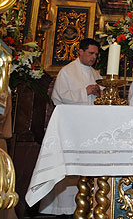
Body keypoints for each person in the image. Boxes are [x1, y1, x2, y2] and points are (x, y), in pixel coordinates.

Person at [41, 38, 102, 216]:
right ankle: (64, 208)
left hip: (90, 127)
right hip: (72, 127)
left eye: (96, 54)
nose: (93, 57)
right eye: (90, 53)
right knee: (70, 167)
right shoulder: (67, 71)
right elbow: (58, 96)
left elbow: (99, 98)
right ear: (80, 52)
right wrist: (85, 91)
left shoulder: (95, 72)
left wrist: (99, 92)